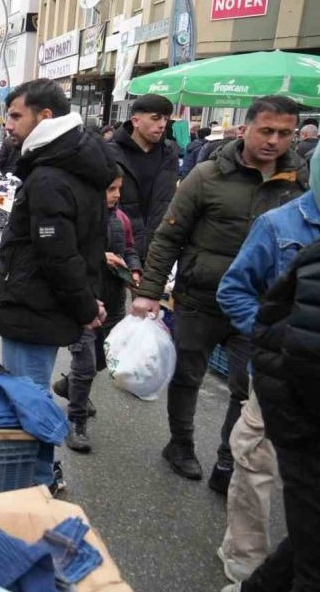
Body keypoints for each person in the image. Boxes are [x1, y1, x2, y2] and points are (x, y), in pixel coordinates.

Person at [131, 95, 308, 487]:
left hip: (264, 305)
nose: (274, 141)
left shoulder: (301, 183)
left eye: (284, 133)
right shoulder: (207, 175)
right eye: (266, 130)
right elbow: (168, 236)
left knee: (248, 386)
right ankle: (180, 444)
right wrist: (149, 292)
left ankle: (229, 458)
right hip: (201, 298)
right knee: (188, 375)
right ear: (245, 129)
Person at [0, 78, 115, 490]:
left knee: (28, 400)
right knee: (33, 395)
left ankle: (32, 484)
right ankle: (42, 476)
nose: (8, 124)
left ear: (45, 117)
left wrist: (85, 307)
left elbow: (58, 254)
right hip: (42, 305)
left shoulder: (50, 176)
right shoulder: (74, 164)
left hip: (32, 307)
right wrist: (87, 303)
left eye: (16, 115)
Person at [215, 148, 317, 584]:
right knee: (255, 466)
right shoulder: (279, 225)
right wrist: (276, 343)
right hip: (277, 382)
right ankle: (245, 566)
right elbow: (234, 290)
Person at [54, 164, 141, 452]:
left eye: (119, 189)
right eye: (110, 189)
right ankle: (76, 422)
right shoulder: (76, 219)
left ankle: (71, 386)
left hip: (114, 301)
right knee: (86, 362)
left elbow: (129, 248)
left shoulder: (122, 219)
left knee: (105, 357)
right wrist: (98, 256)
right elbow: (64, 254)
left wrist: (135, 270)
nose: (116, 195)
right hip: (83, 302)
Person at [107, 94, 180, 261]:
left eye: (165, 119)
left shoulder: (169, 153)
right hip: (120, 249)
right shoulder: (110, 152)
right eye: (155, 118)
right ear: (135, 121)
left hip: (158, 250)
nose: (162, 125)